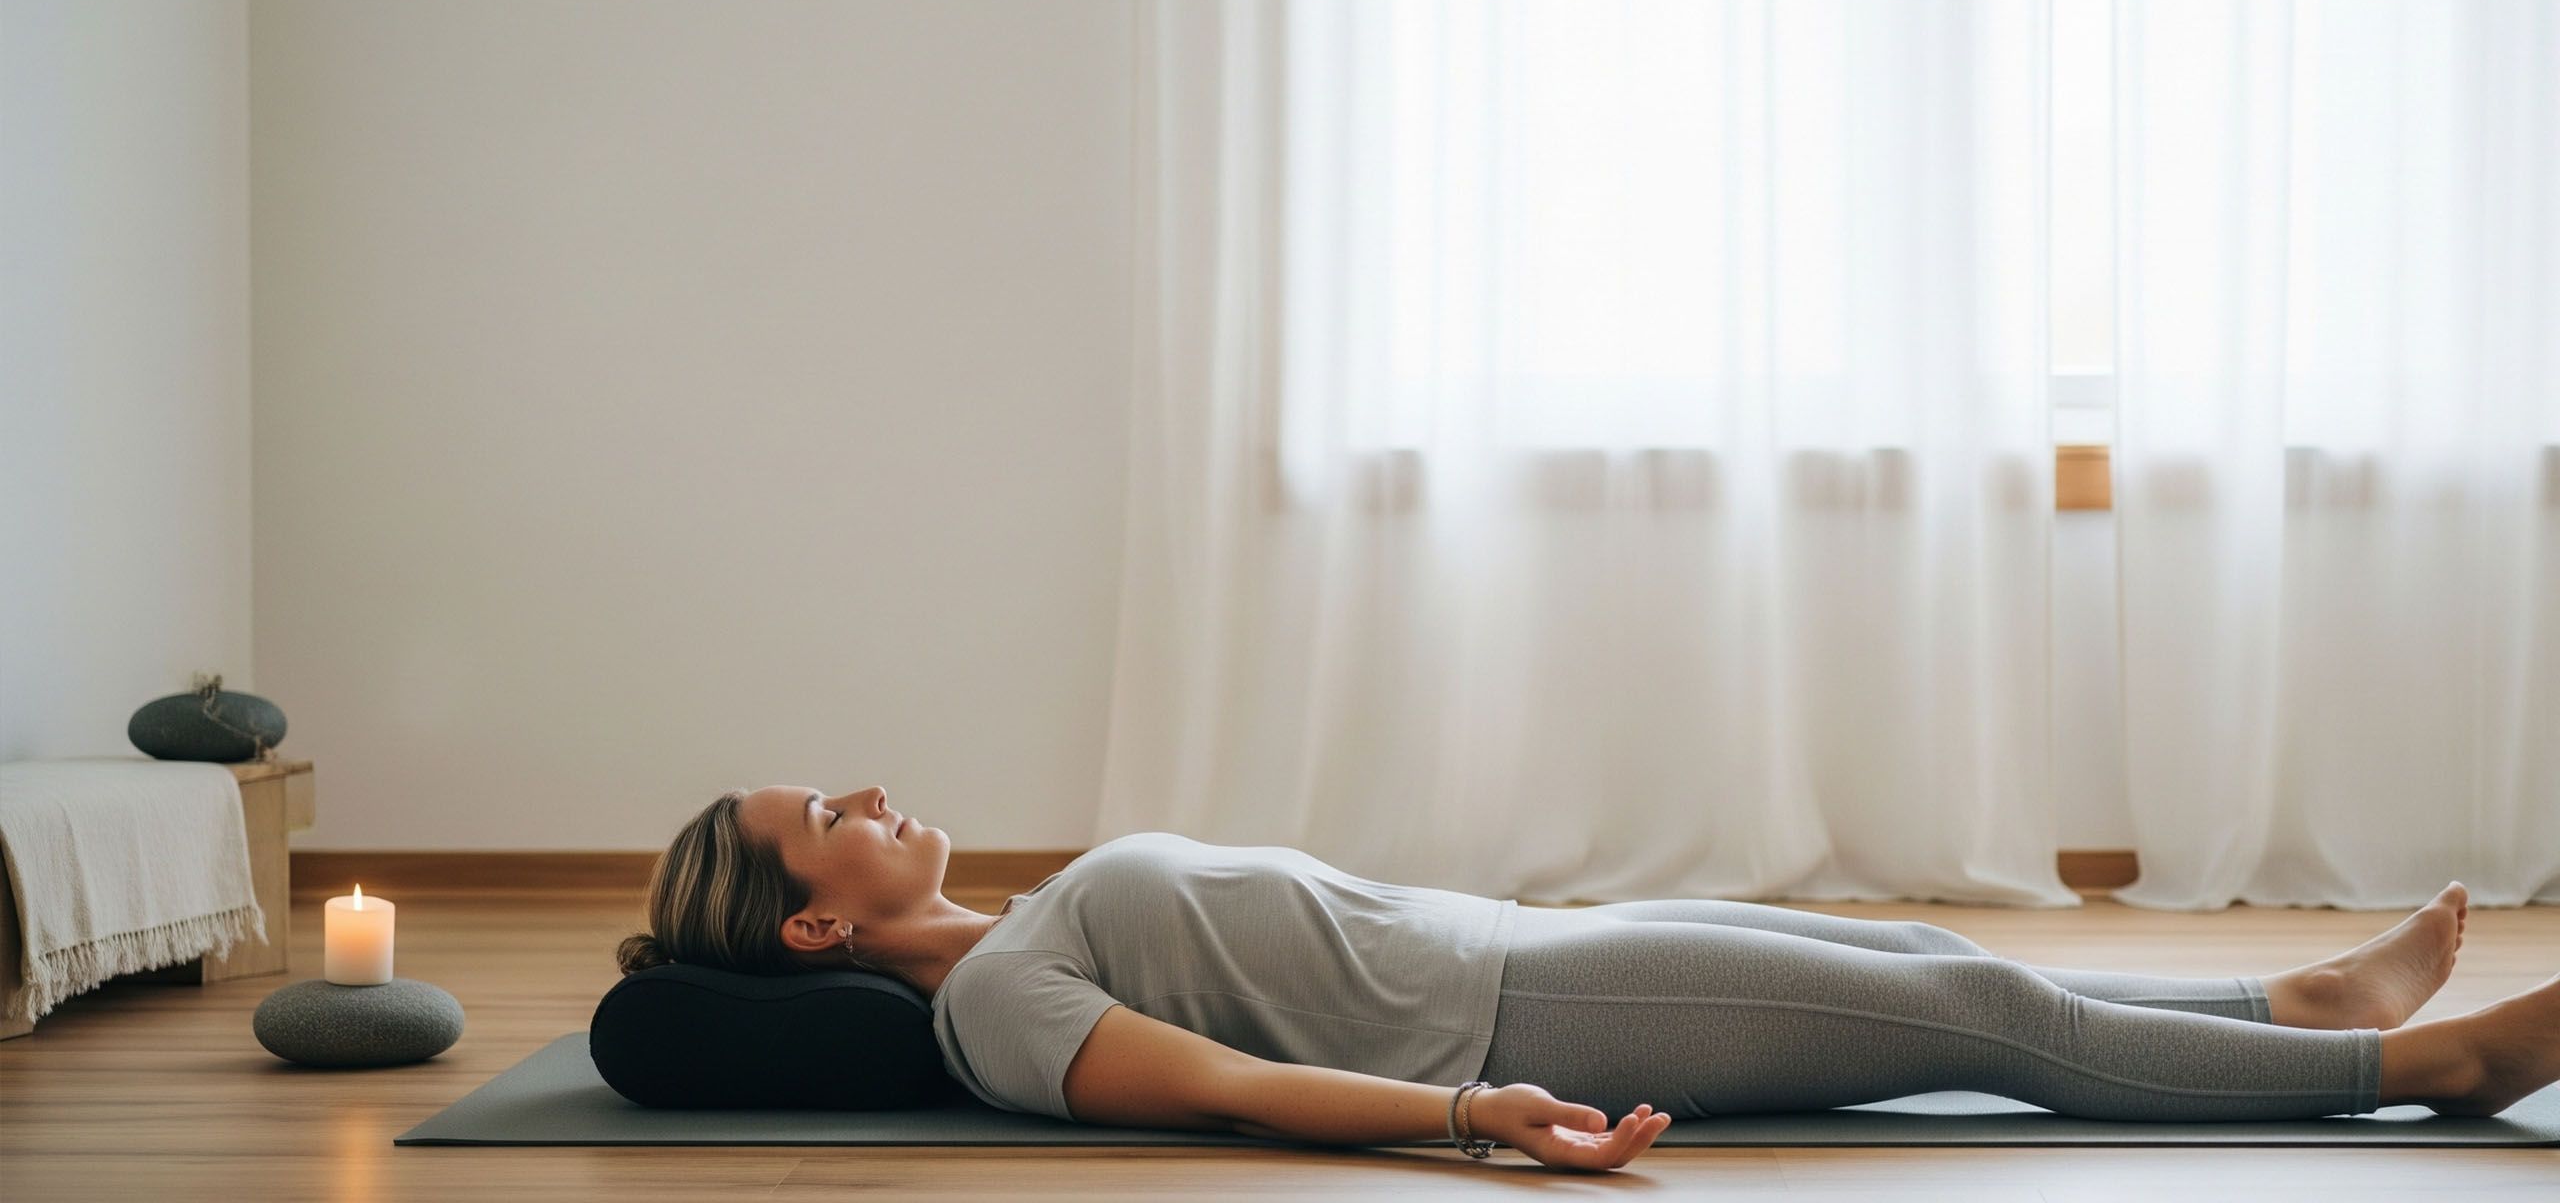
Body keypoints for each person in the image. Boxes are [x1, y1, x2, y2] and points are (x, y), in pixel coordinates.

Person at [616, 785, 2560, 1174]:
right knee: (1985, 1031)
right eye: (827, 815)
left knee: (1926, 957)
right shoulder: (989, 1011)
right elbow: (1217, 1092)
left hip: (1523, 952)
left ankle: (2288, 1010)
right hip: (1523, 1020)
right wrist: (1470, 1118)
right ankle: (2413, 1072)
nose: (871, 793)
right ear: (813, 923)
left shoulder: (1019, 923)